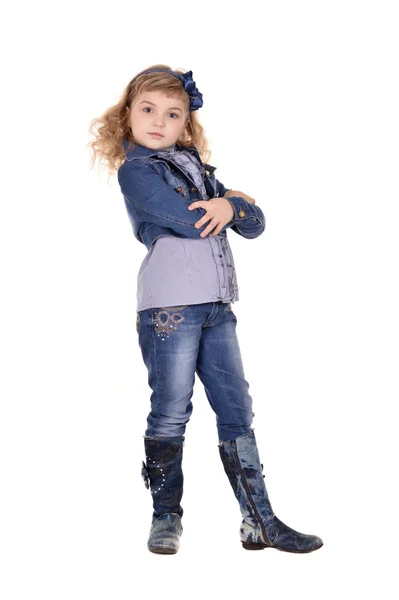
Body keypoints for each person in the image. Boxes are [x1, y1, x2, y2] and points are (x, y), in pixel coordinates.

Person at [88, 64, 323, 555]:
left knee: (237, 407)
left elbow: (255, 225)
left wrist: (233, 206)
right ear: (127, 115)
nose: (158, 121)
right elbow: (196, 223)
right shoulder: (137, 171)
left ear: (185, 124)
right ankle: (165, 517)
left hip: (217, 306)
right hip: (169, 309)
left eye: (173, 114)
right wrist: (229, 204)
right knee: (171, 411)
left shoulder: (195, 169)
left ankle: (259, 520)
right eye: (148, 110)